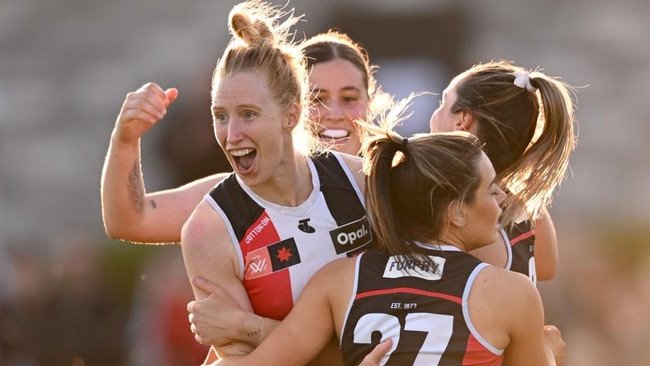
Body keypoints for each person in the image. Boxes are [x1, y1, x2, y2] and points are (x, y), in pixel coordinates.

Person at [204, 126, 561, 365]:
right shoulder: (512, 293)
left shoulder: (339, 279)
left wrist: (239, 330)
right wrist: (547, 351)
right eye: (490, 188)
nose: (501, 199)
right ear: (456, 212)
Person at [175, 1, 380, 364]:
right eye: (220, 116)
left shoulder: (362, 181)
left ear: (291, 115)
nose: (231, 134)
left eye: (248, 115)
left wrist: (247, 324)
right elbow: (243, 361)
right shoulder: (208, 231)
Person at [428, 60, 577, 283]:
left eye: (443, 102)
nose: (435, 114)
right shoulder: (530, 211)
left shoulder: (443, 213)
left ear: (462, 120)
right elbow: (546, 268)